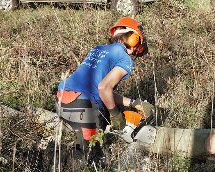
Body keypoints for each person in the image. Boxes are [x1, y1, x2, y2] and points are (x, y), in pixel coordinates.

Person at [55, 17, 153, 166]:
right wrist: (116, 115)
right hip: (82, 107)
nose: (137, 47)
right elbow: (103, 88)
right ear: (133, 38)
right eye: (138, 41)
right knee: (92, 161)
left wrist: (133, 103)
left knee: (95, 146)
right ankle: (43, 158)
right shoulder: (125, 59)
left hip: (62, 99)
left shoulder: (98, 49)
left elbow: (99, 89)